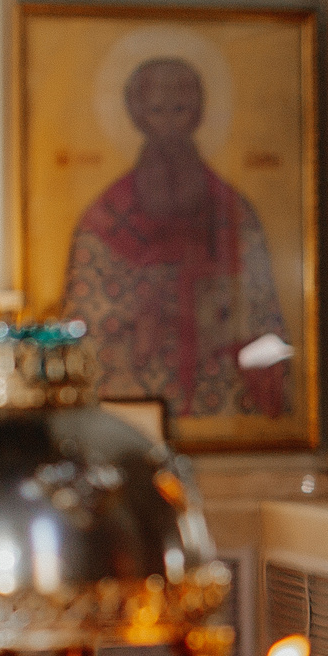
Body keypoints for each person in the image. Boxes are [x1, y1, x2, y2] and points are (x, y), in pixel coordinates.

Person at [60, 57, 293, 422]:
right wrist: (142, 312)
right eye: (156, 110)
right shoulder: (103, 219)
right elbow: (84, 323)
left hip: (219, 397)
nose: (168, 125)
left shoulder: (234, 213)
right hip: (137, 394)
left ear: (198, 113)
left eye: (180, 109)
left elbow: (263, 315)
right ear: (137, 115)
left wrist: (218, 322)